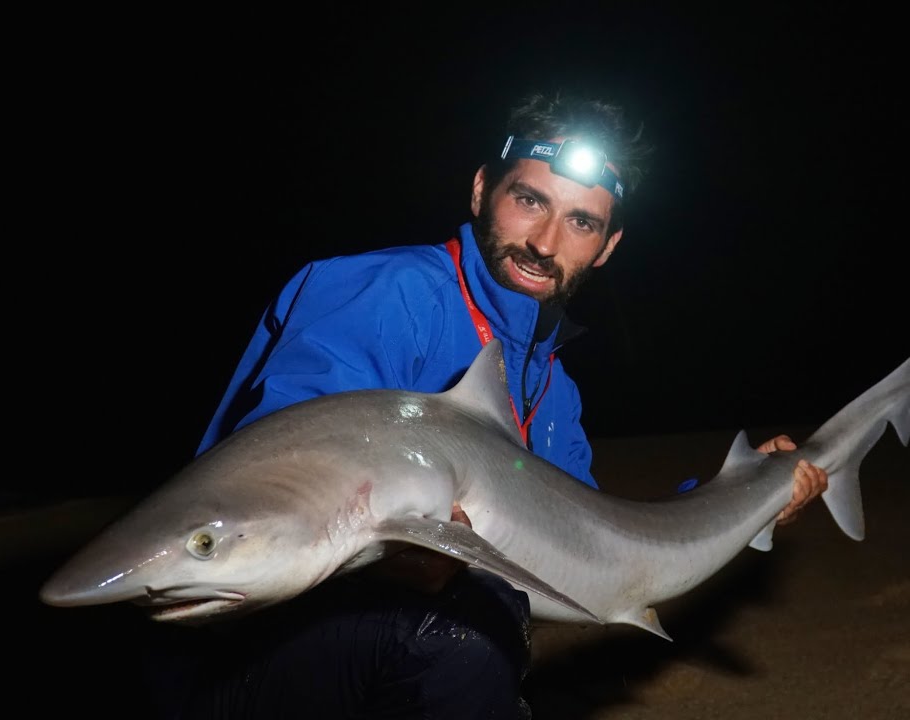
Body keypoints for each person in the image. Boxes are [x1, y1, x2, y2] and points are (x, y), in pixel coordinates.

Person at [153, 90, 829, 719]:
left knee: (479, 616)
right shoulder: (387, 295)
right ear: (482, 189)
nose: (545, 242)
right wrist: (393, 545)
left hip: (378, 660)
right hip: (245, 663)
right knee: (465, 627)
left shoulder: (552, 386)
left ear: (607, 246)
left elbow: (595, 551)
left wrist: (738, 494)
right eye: (529, 201)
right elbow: (283, 456)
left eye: (582, 222)